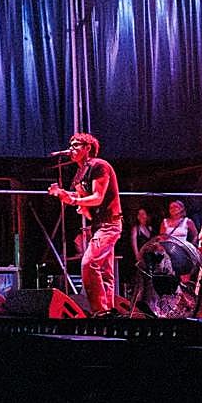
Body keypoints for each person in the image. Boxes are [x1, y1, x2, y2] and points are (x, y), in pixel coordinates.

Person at [49, 134, 123, 316]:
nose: (71, 149)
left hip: (109, 224)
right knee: (105, 272)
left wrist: (73, 200)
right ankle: (108, 311)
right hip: (98, 225)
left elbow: (97, 198)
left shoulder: (99, 166)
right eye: (70, 146)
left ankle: (100, 312)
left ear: (88, 148)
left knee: (89, 264)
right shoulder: (79, 175)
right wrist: (64, 195)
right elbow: (87, 209)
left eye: (76, 145)